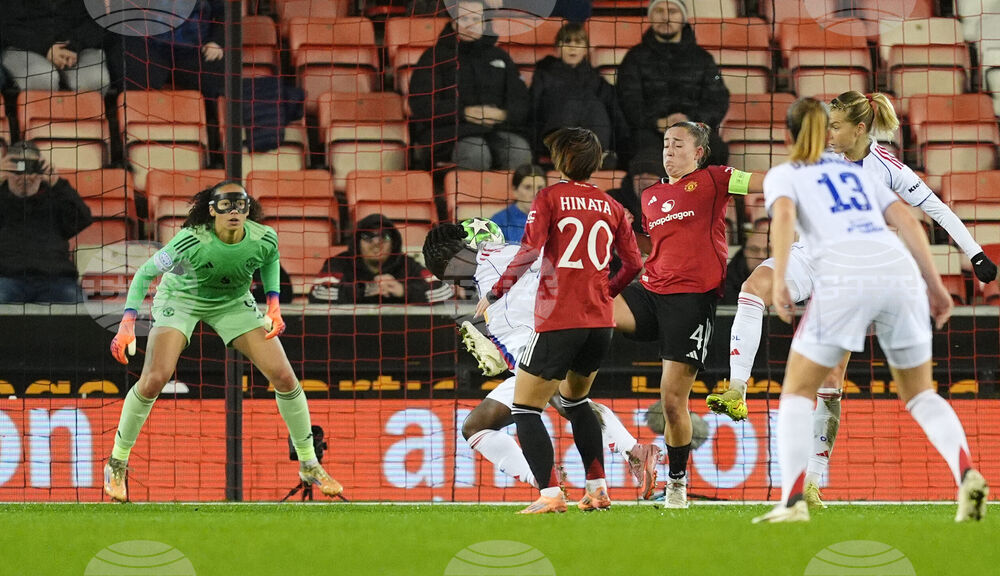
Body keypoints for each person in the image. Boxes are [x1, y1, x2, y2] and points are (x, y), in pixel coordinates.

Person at [710, 91, 999, 508]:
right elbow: (906, 220)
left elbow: (933, 207)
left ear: (860, 128)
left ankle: (807, 485)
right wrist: (938, 283)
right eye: (826, 126)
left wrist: (974, 252)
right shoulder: (829, 166)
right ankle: (738, 386)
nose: (829, 133)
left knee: (820, 385)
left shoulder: (876, 168)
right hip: (868, 267)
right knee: (753, 286)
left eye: (837, 126)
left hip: (846, 273)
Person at [103, 181, 343, 502]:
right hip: (182, 297)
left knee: (285, 377)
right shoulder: (191, 240)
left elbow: (270, 259)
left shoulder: (263, 237)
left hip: (232, 301)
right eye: (226, 205)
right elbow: (144, 274)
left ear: (247, 210)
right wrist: (127, 324)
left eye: (240, 205)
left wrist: (273, 303)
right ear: (212, 210)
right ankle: (117, 462)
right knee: (155, 378)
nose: (234, 211)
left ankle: (308, 463)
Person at [423, 221, 664, 500]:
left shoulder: (494, 266)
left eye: (446, 274)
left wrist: (506, 355)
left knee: (564, 402)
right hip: (564, 332)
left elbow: (522, 310)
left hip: (552, 338)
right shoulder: (496, 261)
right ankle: (544, 477)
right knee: (476, 426)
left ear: (448, 259)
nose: (452, 282)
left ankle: (634, 452)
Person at [475, 127, 643, 513]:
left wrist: (495, 293)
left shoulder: (550, 196)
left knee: (525, 408)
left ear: (563, 160)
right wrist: (606, 293)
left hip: (559, 319)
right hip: (600, 325)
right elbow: (634, 263)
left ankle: (550, 495)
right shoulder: (613, 206)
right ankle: (598, 490)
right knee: (577, 401)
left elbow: (530, 250)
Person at [613, 121, 763, 508]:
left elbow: (765, 183)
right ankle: (562, 375)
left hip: (690, 302)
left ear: (698, 153)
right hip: (650, 291)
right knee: (595, 304)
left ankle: (676, 484)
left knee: (672, 402)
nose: (669, 150)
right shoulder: (651, 195)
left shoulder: (716, 179)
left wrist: (805, 177)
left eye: (678, 145)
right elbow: (657, 245)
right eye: (665, 144)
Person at [408, 0, 532, 171]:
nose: (470, 25)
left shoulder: (500, 57)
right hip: (449, 134)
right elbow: (421, 105)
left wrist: (502, 114)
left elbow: (521, 101)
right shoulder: (433, 57)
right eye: (464, 19)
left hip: (496, 130)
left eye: (476, 19)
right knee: (476, 152)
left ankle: (511, 198)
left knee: (519, 151)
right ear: (453, 22)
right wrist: (464, 112)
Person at [616, 0, 730, 168]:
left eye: (673, 11)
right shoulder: (634, 58)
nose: (666, 17)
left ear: (683, 18)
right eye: (659, 11)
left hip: (693, 131)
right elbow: (627, 101)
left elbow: (717, 99)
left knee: (717, 149)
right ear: (650, 17)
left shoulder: (703, 59)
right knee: (645, 155)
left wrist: (691, 123)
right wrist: (657, 122)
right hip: (648, 133)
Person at [0, 141, 92, 304]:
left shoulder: (55, 196)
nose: (25, 176)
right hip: (7, 278)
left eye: (32, 167)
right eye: (18, 168)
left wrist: (57, 183)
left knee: (76, 308)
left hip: (56, 279)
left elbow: (83, 218)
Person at [530, 22, 630, 165]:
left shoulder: (597, 81)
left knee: (595, 104)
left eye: (578, 42)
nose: (572, 47)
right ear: (558, 48)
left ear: (586, 50)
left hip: (593, 143)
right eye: (567, 41)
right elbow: (533, 111)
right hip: (555, 143)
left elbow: (615, 114)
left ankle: (598, 153)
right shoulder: (544, 75)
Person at [309, 214, 453, 304]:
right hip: (347, 335)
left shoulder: (407, 264)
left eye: (384, 236)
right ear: (356, 242)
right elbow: (318, 292)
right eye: (368, 237)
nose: (376, 243)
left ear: (394, 242)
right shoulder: (339, 263)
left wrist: (403, 291)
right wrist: (366, 290)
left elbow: (446, 290)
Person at [1, 0, 113, 94]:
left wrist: (72, 45)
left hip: (77, 48)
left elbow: (98, 22)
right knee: (41, 78)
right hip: (24, 46)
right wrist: (46, 47)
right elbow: (8, 25)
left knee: (95, 80)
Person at [122, 0, 225, 100]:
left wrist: (215, 41)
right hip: (150, 49)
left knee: (215, 74)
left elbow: (222, 12)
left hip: (193, 52)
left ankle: (210, 115)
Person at [489, 164, 547, 243]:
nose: (535, 193)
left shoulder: (554, 220)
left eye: (540, 188)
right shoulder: (499, 222)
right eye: (528, 187)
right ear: (515, 191)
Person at [721, 217, 770, 305]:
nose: (761, 256)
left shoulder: (792, 277)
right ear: (745, 251)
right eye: (754, 249)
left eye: (768, 250)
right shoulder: (726, 283)